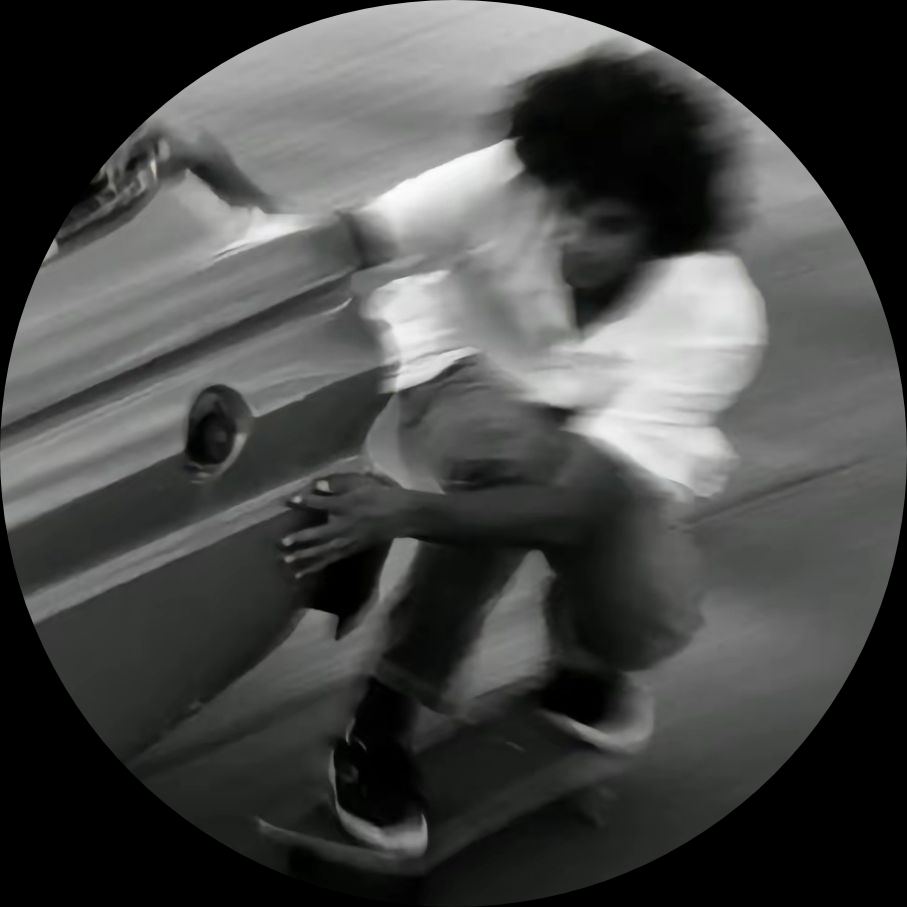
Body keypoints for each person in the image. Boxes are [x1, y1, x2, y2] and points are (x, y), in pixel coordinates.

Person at [273, 49, 767, 857]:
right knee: (503, 470)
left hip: (593, 432)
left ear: (662, 228)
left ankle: (586, 662)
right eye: (565, 207)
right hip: (461, 367)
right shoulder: (506, 178)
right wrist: (219, 188)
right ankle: (380, 718)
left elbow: (573, 507)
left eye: (609, 225)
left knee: (645, 615)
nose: (573, 238)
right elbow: (344, 240)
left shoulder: (713, 313)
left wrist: (400, 513)